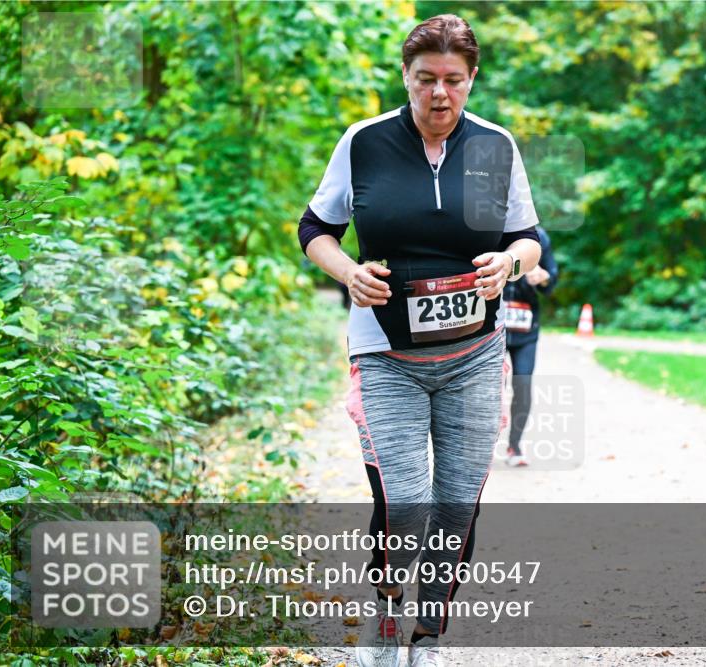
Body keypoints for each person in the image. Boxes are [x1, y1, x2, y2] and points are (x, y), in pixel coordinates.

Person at [296, 14, 541, 667]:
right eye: (425, 80)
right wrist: (348, 271)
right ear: (404, 78)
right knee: (405, 500)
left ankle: (427, 636)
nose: (439, 95)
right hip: (385, 353)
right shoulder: (364, 142)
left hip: (474, 354)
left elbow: (530, 239)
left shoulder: (495, 147)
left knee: (456, 506)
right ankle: (383, 620)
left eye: (453, 81)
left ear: (472, 79)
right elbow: (315, 227)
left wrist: (507, 263)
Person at [501, 225, 558, 467]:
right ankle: (479, 445)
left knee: (523, 385)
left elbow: (552, 280)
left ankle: (515, 446)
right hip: (492, 326)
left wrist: (543, 277)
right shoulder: (487, 233)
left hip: (526, 330)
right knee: (486, 388)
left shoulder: (539, 237)